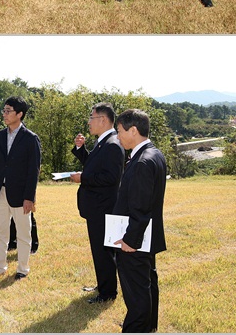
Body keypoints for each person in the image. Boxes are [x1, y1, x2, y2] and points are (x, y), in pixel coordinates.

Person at [113, 109, 167, 333]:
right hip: (146, 238)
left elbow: (141, 209)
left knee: (136, 293)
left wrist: (130, 241)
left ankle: (136, 327)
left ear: (133, 130)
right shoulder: (154, 153)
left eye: (119, 131)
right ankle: (148, 327)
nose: (118, 137)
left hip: (136, 241)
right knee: (147, 284)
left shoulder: (143, 161)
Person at [70, 102, 125, 303]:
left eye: (91, 117)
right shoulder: (104, 141)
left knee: (103, 251)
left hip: (103, 208)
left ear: (102, 119)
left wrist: (82, 178)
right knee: (100, 250)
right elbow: (95, 166)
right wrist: (80, 149)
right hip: (98, 207)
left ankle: (108, 293)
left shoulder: (112, 144)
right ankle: (104, 285)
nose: (88, 122)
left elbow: (111, 178)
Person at [0, 96, 41, 281]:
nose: (4, 114)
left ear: (20, 114)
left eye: (8, 111)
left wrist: (29, 198)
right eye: (4, 110)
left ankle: (22, 269)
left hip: (21, 194)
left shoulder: (30, 139)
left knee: (24, 234)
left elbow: (34, 171)